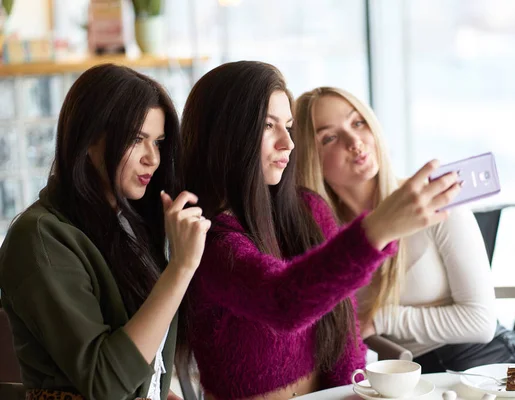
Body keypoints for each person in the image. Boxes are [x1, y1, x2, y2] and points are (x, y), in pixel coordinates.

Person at [178, 61, 461, 400]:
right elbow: (283, 301)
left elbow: (343, 333)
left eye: (289, 126)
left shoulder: (308, 210)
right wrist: (378, 229)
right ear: (223, 134)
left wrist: (347, 394)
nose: (288, 143)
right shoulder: (205, 239)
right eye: (268, 126)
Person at [294, 86, 515, 373]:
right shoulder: (326, 243)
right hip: (418, 380)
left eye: (358, 122)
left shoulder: (433, 202)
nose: (355, 142)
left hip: (495, 366)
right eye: (330, 137)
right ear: (310, 157)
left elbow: (481, 322)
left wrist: (380, 319)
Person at [0, 64, 211, 400]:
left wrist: (157, 388)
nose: (152, 159)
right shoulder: (39, 238)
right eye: (136, 139)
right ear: (87, 139)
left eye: (157, 142)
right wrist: (181, 267)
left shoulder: (129, 226)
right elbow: (105, 384)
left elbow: (139, 353)